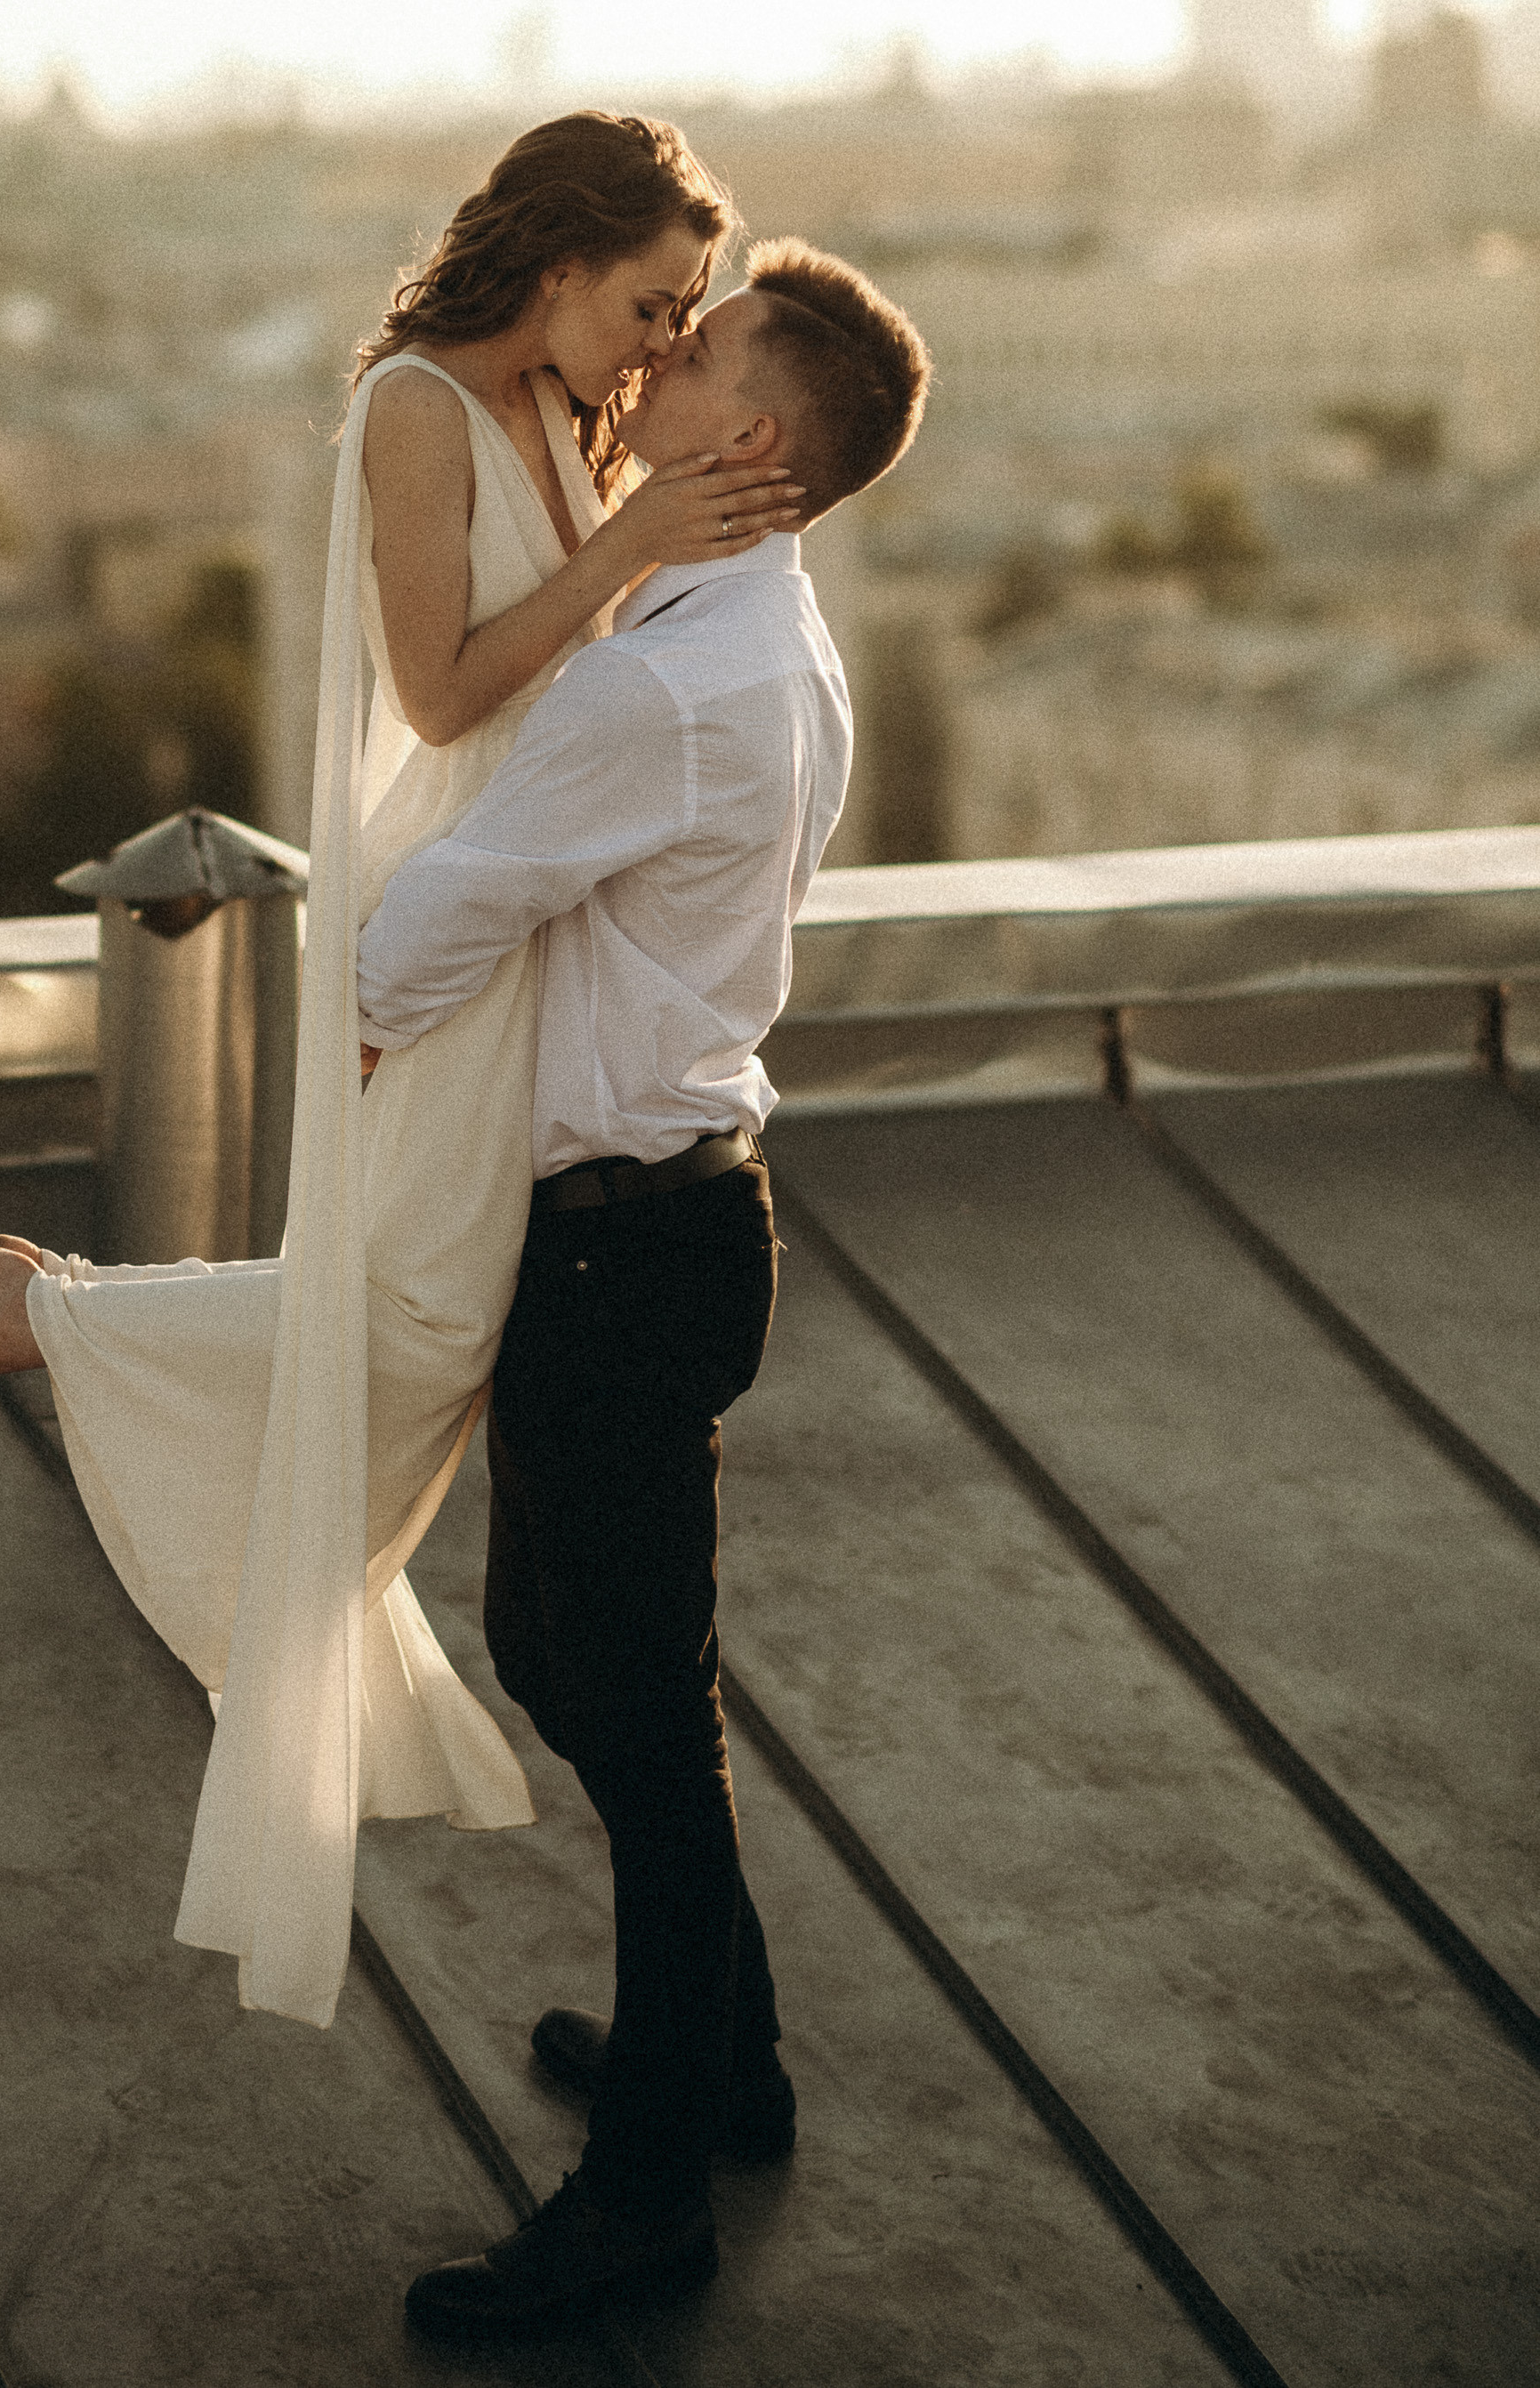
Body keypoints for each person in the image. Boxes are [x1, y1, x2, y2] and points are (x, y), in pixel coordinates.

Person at [0, 111, 803, 2028]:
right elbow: (439, 688)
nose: (658, 341)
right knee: (424, 1326)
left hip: (526, 925)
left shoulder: (560, 412)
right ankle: (44, 1311)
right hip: (448, 924)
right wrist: (635, 541)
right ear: (553, 253)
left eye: (686, 313)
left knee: (419, 1333)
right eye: (648, 298)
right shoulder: (419, 409)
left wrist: (644, 521)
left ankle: (62, 1319)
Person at [351, 238, 931, 2339]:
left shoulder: (663, 672)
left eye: (697, 349)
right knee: (627, 1688)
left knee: (615, 1700)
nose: (656, 359)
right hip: (679, 1216)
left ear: (750, 438)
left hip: (617, 1242)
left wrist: (358, 1018)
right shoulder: (754, 626)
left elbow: (441, 915)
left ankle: (646, 2204)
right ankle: (725, 2059)